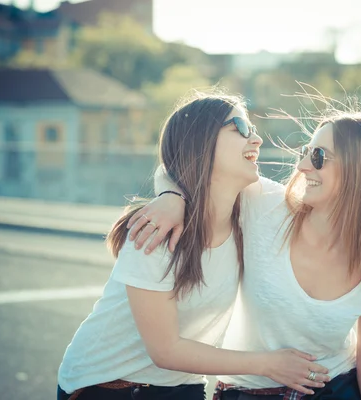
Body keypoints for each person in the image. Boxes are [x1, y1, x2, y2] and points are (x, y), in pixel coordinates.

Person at [128, 104, 361, 399]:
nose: (302, 166)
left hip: (336, 388)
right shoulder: (264, 205)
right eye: (305, 152)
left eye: (318, 157)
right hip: (248, 392)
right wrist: (172, 196)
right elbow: (190, 165)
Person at [56, 91, 330, 400]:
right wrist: (269, 365)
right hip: (107, 386)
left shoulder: (254, 202)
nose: (256, 139)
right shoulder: (156, 229)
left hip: (181, 384)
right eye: (240, 127)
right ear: (200, 142)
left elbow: (321, 211)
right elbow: (165, 350)